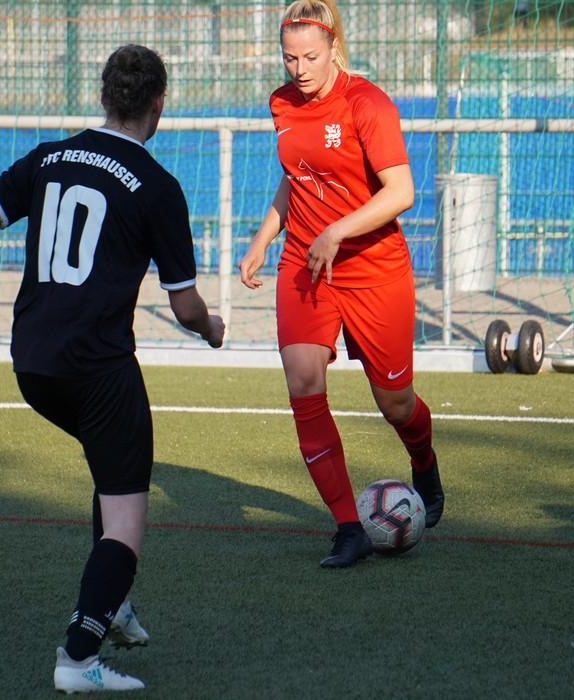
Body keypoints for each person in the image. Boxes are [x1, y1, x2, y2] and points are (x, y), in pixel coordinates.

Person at [0, 44, 225, 693]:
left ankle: (115, 604)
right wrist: (211, 328)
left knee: (114, 472)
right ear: (158, 103)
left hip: (33, 364)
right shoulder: (157, 186)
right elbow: (184, 305)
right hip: (98, 368)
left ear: (104, 96)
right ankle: (78, 658)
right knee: (128, 515)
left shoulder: (50, 157)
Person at [238, 0, 444, 569]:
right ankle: (347, 527)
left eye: (309, 56)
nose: (298, 69)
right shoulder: (281, 102)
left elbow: (400, 191)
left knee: (395, 401)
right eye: (289, 58)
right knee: (303, 382)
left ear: (334, 49)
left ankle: (422, 461)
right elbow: (295, 176)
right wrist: (263, 237)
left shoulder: (367, 103)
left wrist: (337, 231)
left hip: (375, 268)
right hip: (305, 266)